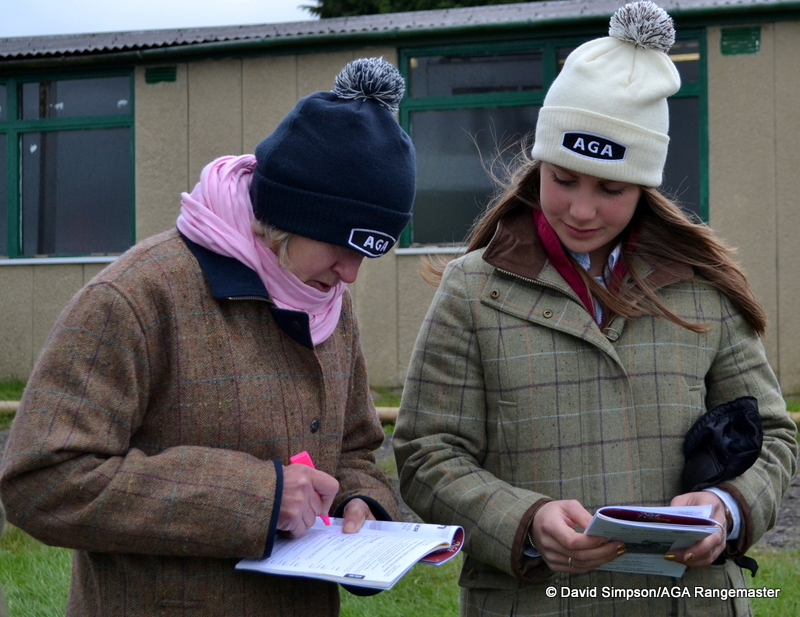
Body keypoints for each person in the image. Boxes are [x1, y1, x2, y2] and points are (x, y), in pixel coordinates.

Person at [393, 3, 797, 616]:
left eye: (611, 189)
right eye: (563, 179)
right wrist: (524, 521)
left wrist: (728, 506)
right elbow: (427, 455)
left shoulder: (704, 287)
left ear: (644, 187)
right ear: (539, 165)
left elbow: (773, 436)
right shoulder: (471, 290)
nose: (581, 210)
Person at [0, 57, 414, 617]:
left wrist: (361, 501)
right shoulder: (136, 297)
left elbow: (356, 446)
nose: (351, 274)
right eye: (342, 247)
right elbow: (41, 481)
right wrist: (255, 498)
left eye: (368, 254)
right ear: (286, 216)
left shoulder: (327, 300)